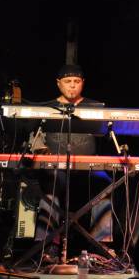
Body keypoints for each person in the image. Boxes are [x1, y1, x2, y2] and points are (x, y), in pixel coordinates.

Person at [33, 64, 112, 262]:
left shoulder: (95, 107)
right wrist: (43, 151)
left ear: (82, 84)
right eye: (67, 82)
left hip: (87, 168)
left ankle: (99, 247)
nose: (72, 86)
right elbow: (34, 139)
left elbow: (109, 134)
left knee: (104, 182)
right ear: (58, 84)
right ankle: (48, 246)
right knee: (52, 182)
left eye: (77, 82)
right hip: (55, 167)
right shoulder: (46, 108)